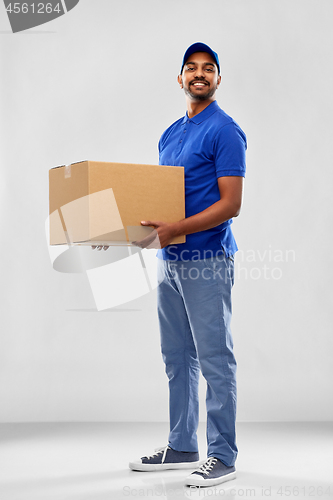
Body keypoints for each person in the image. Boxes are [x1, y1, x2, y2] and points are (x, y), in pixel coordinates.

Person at [127, 42, 247, 487]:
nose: (199, 74)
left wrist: (175, 225)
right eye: (191, 68)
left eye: (208, 69)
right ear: (180, 79)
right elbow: (165, 200)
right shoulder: (169, 134)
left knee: (215, 359)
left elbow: (231, 204)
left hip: (208, 260)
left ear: (218, 80)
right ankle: (182, 444)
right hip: (170, 260)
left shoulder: (225, 131)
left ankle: (224, 455)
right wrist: (132, 230)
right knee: (177, 357)